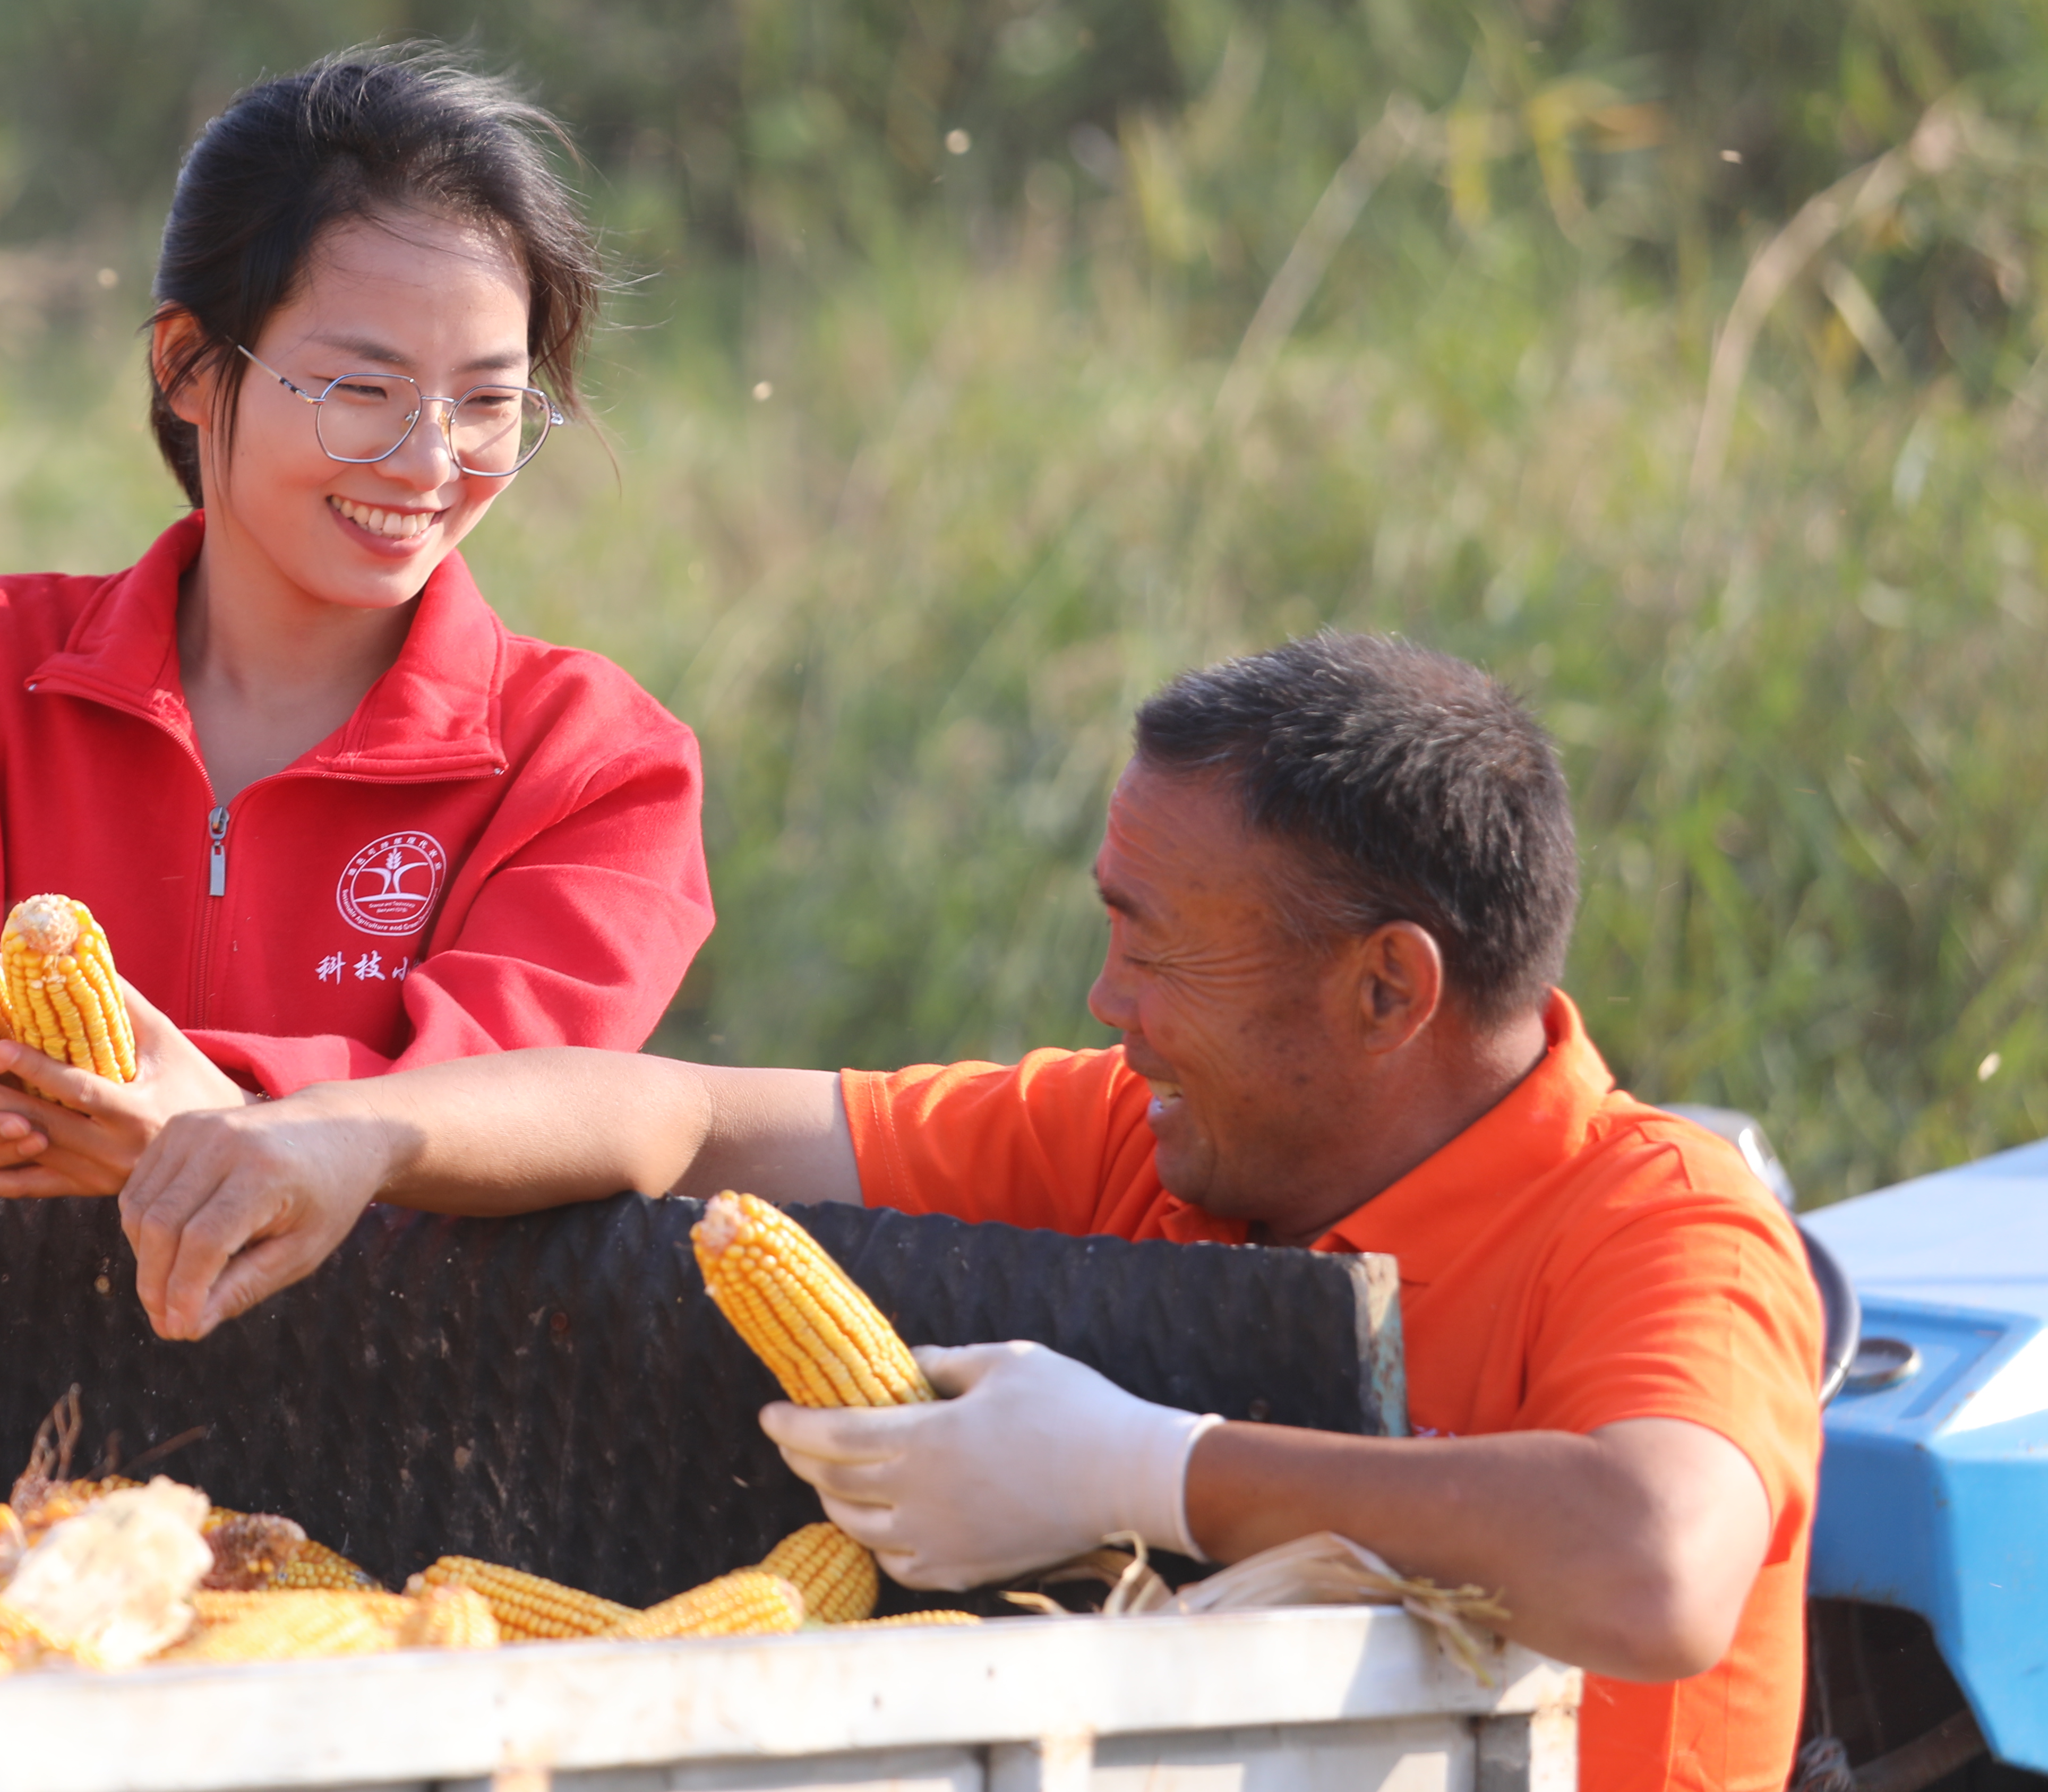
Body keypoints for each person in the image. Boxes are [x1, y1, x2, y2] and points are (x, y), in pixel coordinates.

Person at [114, 635, 1818, 1792]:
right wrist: (346, 1136)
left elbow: (1654, 1567)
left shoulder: (1665, 1227)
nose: (1105, 997)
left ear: (1389, 991)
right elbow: (688, 1116)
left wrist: (1143, 1469)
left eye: (1157, 944)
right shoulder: (1128, 1140)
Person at [0, 47, 715, 1196]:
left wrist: (192, 1103)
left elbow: (502, 1097)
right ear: (189, 367)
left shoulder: (599, 765)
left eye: (487, 402)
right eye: (360, 389)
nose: (429, 461)